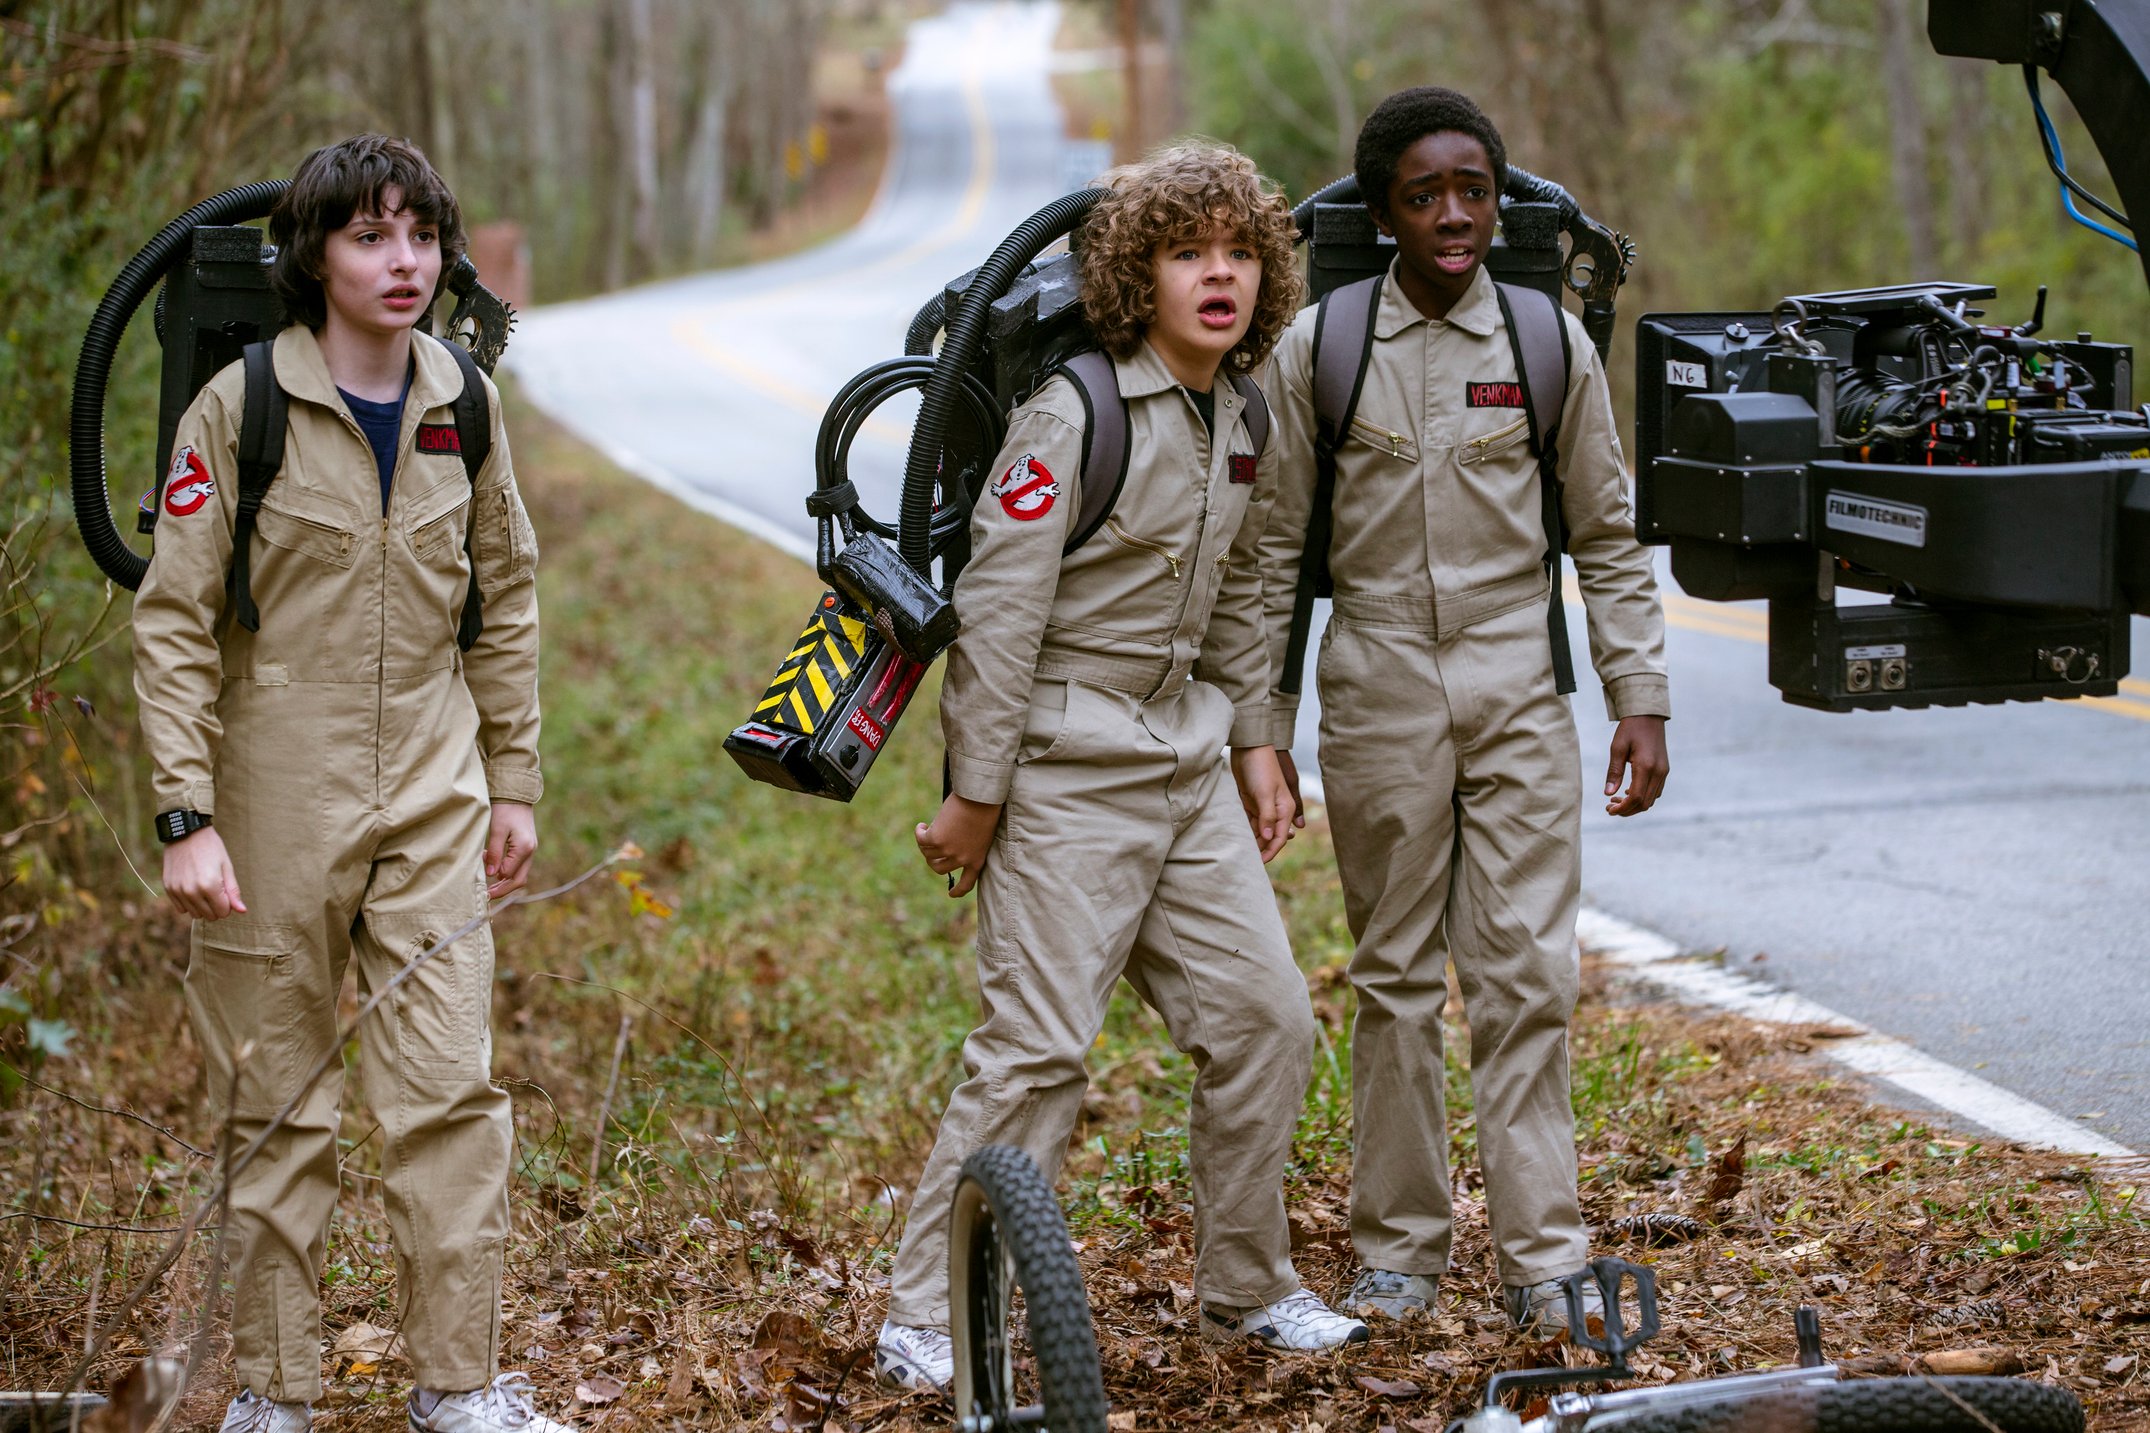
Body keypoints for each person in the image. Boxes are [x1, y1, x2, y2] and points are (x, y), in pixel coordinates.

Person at [875, 143, 1369, 1394]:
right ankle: (926, 1312)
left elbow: (1247, 589)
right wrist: (974, 796)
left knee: (1265, 1021)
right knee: (1035, 1052)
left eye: (1239, 253)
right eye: (1186, 253)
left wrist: (1254, 741)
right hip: (1062, 766)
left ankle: (1246, 1286)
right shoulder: (1074, 411)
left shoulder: (1243, 409)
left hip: (1184, 759)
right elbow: (999, 612)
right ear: (1133, 277)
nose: (1219, 275)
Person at [132, 135, 564, 1433]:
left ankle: (458, 1386)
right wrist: (185, 813)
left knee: (450, 1094)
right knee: (276, 1096)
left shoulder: (464, 404)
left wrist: (513, 780)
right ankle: (274, 1391)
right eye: (371, 236)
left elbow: (506, 602)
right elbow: (173, 619)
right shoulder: (242, 408)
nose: (403, 261)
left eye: (421, 236)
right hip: (275, 781)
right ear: (314, 255)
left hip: (433, 779)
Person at [1257, 88, 1672, 1330]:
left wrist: (1637, 696)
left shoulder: (1548, 343)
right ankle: (1396, 1252)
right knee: (1390, 975)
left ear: (1497, 202)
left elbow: (1606, 536)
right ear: (1382, 213)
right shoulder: (1320, 347)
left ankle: (1544, 1258)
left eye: (1472, 191)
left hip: (1517, 689)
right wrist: (1261, 728)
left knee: (1524, 974)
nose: (1452, 215)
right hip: (1376, 683)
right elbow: (1271, 556)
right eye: (1423, 195)